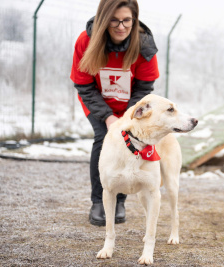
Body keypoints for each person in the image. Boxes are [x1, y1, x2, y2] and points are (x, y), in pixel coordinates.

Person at [70, 0, 159, 226]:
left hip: (131, 106)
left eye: (127, 20)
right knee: (104, 138)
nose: (121, 26)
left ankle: (119, 200)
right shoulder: (86, 41)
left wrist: (127, 118)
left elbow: (144, 88)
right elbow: (84, 85)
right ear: (103, 20)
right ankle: (99, 202)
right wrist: (108, 117)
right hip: (98, 102)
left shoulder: (144, 45)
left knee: (131, 142)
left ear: (134, 20)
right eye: (114, 20)